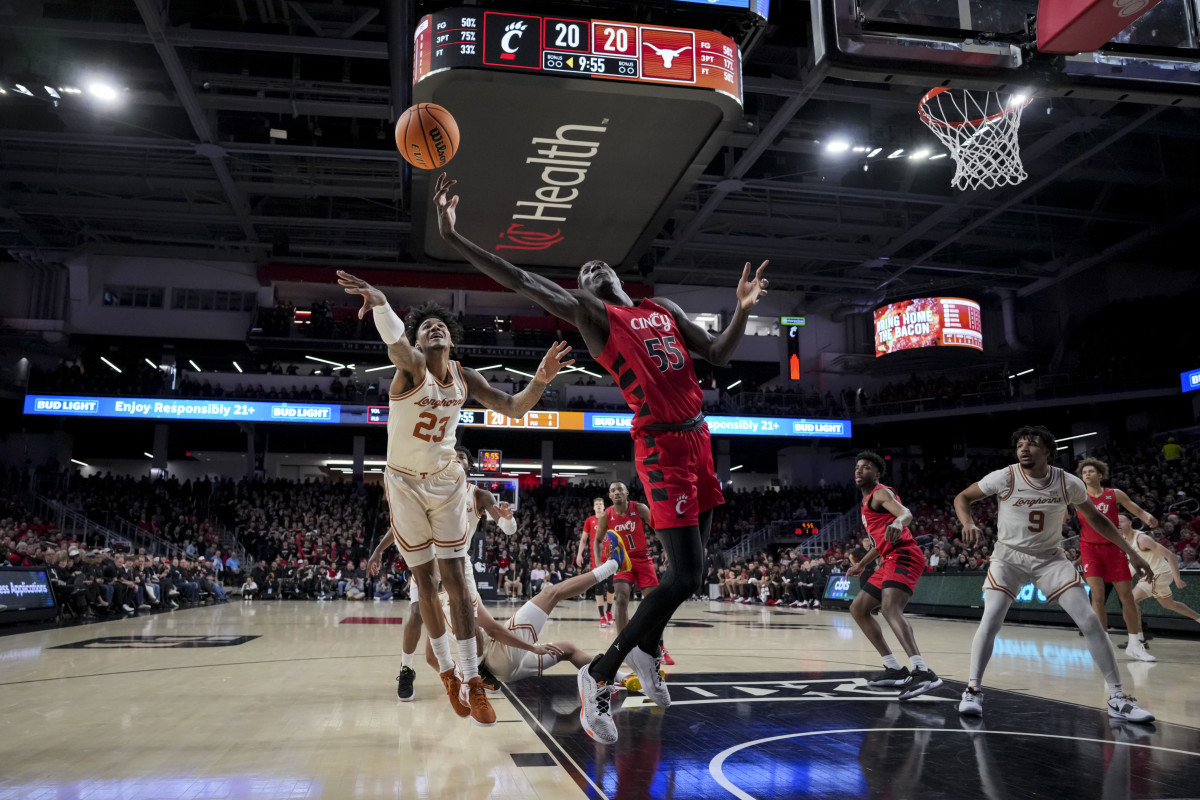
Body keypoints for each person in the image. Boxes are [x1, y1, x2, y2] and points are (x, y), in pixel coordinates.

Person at [434, 172, 768, 744]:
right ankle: (600, 674)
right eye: (583, 274)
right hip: (661, 444)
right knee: (685, 572)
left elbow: (716, 352)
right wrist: (456, 237)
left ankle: (641, 650)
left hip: (699, 438)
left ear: (617, 272)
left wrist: (740, 309)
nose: (591, 272)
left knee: (691, 575)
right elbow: (520, 277)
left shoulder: (659, 307)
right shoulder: (595, 315)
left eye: (598, 267)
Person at [339, 269, 572, 727]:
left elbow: (513, 407)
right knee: (424, 582)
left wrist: (541, 380)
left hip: (447, 479)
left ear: (452, 337)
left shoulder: (465, 377)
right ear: (419, 342)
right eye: (426, 327)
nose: (435, 328)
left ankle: (470, 679)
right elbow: (395, 343)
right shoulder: (412, 368)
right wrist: (383, 302)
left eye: (440, 325)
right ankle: (447, 673)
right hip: (403, 480)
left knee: (458, 581)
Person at [952, 425, 1155, 723]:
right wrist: (967, 522)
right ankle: (972, 689)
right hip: (1009, 556)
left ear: (1048, 450)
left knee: (1089, 620)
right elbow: (962, 498)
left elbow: (1097, 519)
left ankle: (1117, 697)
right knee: (992, 617)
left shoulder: (1067, 482)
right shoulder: (1005, 476)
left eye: (1032, 444)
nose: (1024, 448)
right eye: (1020, 444)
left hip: (1050, 558)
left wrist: (1132, 552)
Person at [370, 447, 517, 704]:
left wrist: (509, 519)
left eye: (461, 457)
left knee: (470, 621)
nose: (456, 459)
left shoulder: (479, 495)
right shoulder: (427, 489)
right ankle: (406, 669)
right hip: (428, 562)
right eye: (452, 456)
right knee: (416, 613)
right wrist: (378, 551)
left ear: (468, 466)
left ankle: (477, 669)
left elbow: (505, 527)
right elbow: (400, 525)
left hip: (459, 563)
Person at [427, 532, 635, 687]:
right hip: (498, 655)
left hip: (498, 671)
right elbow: (494, 631)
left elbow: (431, 657)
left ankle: (622, 679)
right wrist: (532, 648)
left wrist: (458, 676)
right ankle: (614, 564)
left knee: (568, 650)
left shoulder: (432, 605)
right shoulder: (459, 596)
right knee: (551, 593)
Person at [846, 452, 942, 700]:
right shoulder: (867, 502)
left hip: (905, 555)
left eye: (866, 467)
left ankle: (922, 671)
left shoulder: (880, 493)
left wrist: (900, 522)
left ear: (876, 474)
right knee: (858, 609)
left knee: (890, 608)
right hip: (888, 559)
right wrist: (861, 565)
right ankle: (893, 668)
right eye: (857, 467)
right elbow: (880, 543)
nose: (859, 470)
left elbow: (905, 513)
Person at [1075, 458, 1158, 661]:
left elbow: (1135, 509)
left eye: (1090, 471)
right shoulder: (1078, 496)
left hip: (1115, 547)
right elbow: (1059, 514)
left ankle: (1135, 644)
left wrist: (1147, 517)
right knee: (1098, 597)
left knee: (1126, 596)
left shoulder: (1114, 494)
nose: (1086, 474)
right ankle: (1103, 644)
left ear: (1100, 475)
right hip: (1089, 549)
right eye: (1084, 472)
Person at [604, 481, 675, 665]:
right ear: (609, 496)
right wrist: (598, 562)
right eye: (613, 490)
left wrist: (667, 548)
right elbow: (596, 540)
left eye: (620, 489)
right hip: (622, 561)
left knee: (655, 604)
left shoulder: (639, 508)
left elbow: (657, 527)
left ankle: (659, 646)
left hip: (643, 559)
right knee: (620, 598)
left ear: (627, 492)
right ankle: (622, 649)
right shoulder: (607, 514)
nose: (617, 492)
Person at [1118, 513, 1200, 625]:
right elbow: (1133, 562)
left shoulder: (1142, 539)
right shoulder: (1122, 540)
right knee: (1169, 604)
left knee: (1130, 600)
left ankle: (1139, 637)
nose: (1118, 523)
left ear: (1130, 523)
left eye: (1121, 521)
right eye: (1116, 521)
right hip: (1152, 575)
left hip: (1160, 573)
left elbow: (1170, 555)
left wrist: (1177, 578)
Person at [577, 497, 615, 627]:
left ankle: (609, 611)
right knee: (598, 587)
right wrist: (579, 555)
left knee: (611, 586)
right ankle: (602, 616)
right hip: (596, 559)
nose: (598, 506)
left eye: (600, 504)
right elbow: (583, 540)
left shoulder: (609, 519)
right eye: (596, 504)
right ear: (594, 507)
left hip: (610, 557)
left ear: (604, 506)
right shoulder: (589, 520)